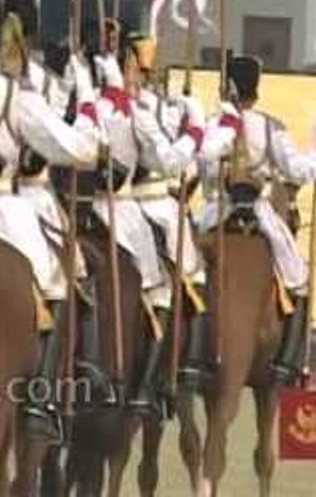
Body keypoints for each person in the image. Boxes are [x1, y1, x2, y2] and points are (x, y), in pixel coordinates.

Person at [0, 0, 100, 442]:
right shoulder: (15, 93)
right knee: (57, 281)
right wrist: (91, 107)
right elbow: (79, 150)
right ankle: (38, 397)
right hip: (0, 206)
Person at [199, 55, 315, 387]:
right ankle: (288, 361)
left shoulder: (213, 124)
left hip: (216, 211)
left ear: (227, 87)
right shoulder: (270, 127)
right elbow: (297, 171)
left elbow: (204, 172)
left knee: (186, 273)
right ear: (256, 89)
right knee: (299, 279)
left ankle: (189, 356)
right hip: (261, 215)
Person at [124, 33, 211, 390]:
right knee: (191, 276)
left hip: (107, 201)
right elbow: (172, 161)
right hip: (152, 202)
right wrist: (196, 128)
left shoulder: (103, 100)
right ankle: (183, 366)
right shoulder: (149, 111)